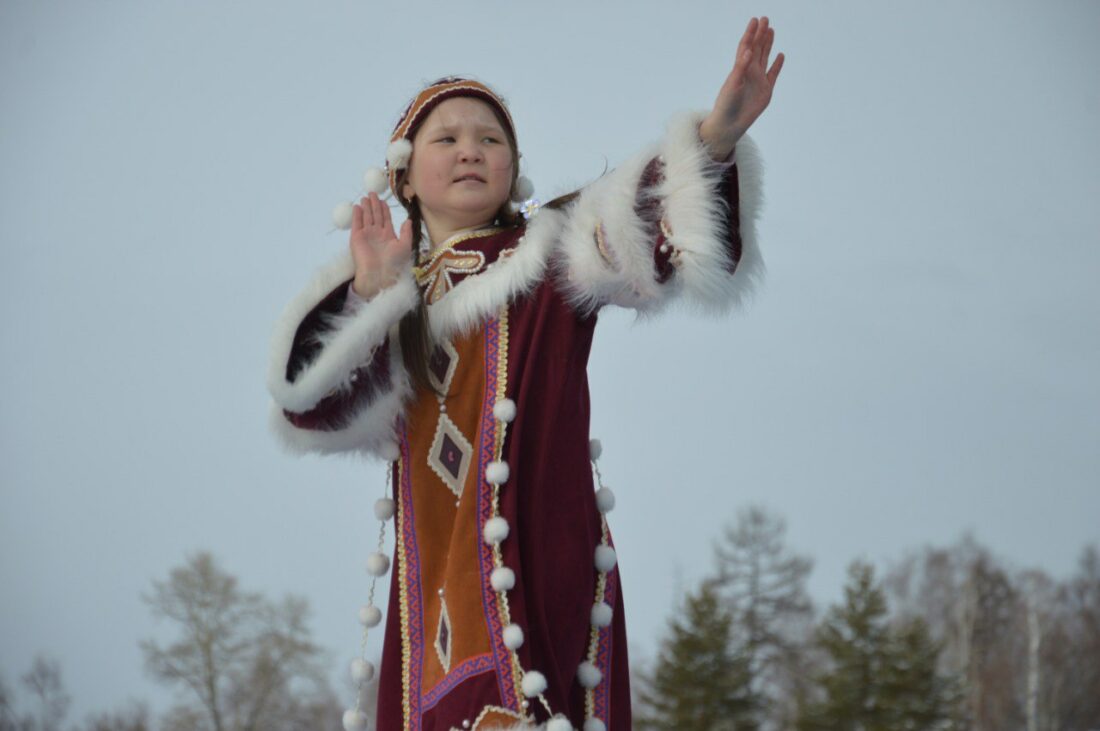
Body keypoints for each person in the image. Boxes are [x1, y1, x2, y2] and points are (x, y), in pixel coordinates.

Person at [267, 16, 783, 731]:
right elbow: (311, 407)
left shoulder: (549, 255)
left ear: (512, 167)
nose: (470, 150)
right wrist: (370, 293)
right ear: (403, 175)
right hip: (435, 601)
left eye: (491, 139)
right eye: (447, 139)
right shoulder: (395, 305)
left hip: (539, 567)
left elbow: (640, 237)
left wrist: (715, 139)